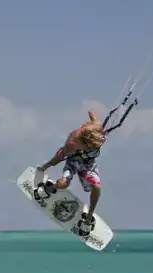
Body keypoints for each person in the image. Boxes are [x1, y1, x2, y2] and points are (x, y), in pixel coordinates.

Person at [34, 99, 137, 234]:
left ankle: (88, 219)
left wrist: (91, 113)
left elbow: (92, 113)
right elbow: (57, 159)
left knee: (97, 186)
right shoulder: (72, 144)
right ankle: (50, 187)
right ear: (83, 143)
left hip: (88, 164)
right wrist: (43, 167)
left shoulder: (97, 130)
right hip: (73, 161)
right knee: (63, 183)